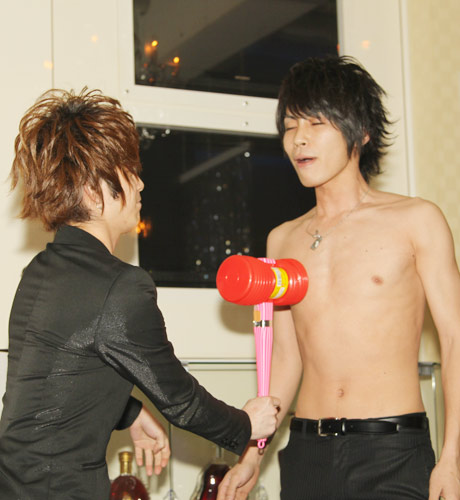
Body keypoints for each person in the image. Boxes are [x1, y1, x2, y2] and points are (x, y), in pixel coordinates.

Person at [0, 88, 280, 500]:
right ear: (94, 189)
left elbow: (55, 381)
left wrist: (129, 412)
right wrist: (246, 424)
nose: (141, 183)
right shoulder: (120, 287)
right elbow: (181, 401)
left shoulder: (39, 272)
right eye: (129, 171)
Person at [218, 56, 460, 500]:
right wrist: (252, 453)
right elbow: (286, 359)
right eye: (290, 126)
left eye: (316, 123)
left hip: (393, 452)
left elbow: (455, 339)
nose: (299, 139)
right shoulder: (282, 239)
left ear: (361, 131)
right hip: (307, 453)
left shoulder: (417, 220)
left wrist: (452, 458)